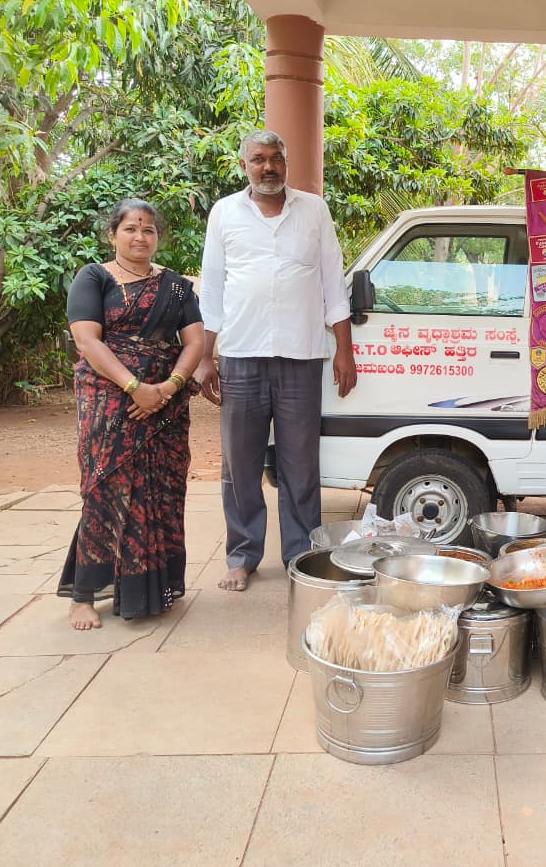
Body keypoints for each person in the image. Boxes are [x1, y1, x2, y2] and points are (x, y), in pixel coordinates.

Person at [196, 129, 357, 591]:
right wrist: (207, 355)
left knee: (300, 464)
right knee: (239, 464)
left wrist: (343, 348)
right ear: (243, 165)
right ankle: (242, 555)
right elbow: (213, 288)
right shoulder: (225, 213)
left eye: (275, 158)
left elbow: (332, 281)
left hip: (302, 354)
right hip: (242, 355)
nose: (268, 167)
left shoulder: (314, 210)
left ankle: (299, 555)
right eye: (258, 159)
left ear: (286, 162)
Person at [60, 199, 205, 630]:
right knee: (105, 491)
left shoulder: (176, 287)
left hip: (164, 405)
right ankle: (84, 595)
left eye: (148, 230)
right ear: (113, 234)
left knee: (160, 491)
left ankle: (150, 588)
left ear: (158, 238)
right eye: (130, 229)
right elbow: (88, 341)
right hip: (110, 402)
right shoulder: (94, 277)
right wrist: (134, 387)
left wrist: (168, 387)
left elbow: (195, 342)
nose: (139, 237)